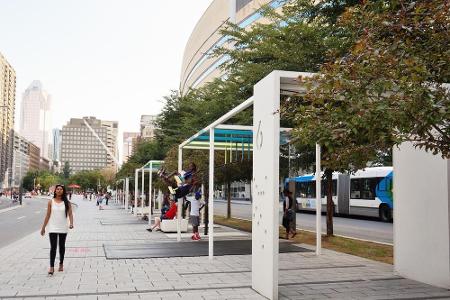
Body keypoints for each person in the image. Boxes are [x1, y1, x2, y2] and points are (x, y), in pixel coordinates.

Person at [40, 184, 74, 275]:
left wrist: (71, 223)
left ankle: (61, 263)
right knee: (53, 247)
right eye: (57, 189)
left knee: (62, 246)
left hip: (63, 226)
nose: (59, 190)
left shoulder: (67, 202)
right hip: (52, 227)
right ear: (55, 191)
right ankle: (51, 267)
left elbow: (70, 214)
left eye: (61, 189)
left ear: (63, 191)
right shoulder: (51, 202)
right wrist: (43, 227)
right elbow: (47, 215)